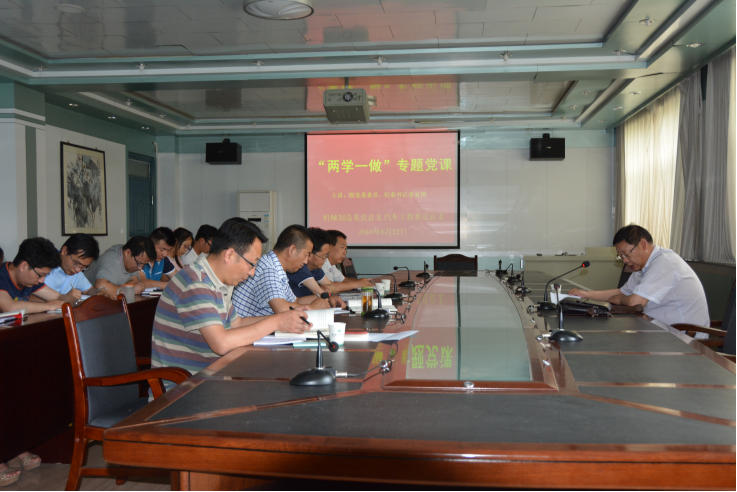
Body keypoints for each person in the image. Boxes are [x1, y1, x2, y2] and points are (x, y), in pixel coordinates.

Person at [151, 218, 311, 380]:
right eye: (251, 264)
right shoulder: (196, 282)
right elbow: (221, 343)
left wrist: (284, 318)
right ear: (229, 255)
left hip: (214, 375)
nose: (252, 273)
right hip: (185, 386)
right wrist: (276, 322)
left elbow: (237, 323)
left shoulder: (220, 281)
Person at [568, 225, 710, 331]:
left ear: (643, 244)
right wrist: (586, 295)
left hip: (683, 337)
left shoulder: (664, 263)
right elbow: (622, 292)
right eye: (620, 256)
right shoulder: (643, 266)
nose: (624, 260)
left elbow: (635, 303)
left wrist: (621, 300)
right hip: (660, 328)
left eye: (626, 254)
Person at [232, 225, 334, 318]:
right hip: (245, 329)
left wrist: (323, 298)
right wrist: (312, 307)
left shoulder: (277, 267)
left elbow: (296, 301)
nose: (306, 261)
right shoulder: (268, 268)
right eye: (306, 255)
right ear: (292, 250)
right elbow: (281, 309)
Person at [0, 237, 78, 314]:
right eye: (40, 275)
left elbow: (59, 297)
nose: (42, 280)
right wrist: (48, 306)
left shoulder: (30, 280)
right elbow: (9, 307)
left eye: (45, 275)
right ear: (24, 266)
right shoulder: (2, 275)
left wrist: (78, 302)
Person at [286, 228, 346, 306]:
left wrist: (325, 289)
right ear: (310, 253)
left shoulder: (315, 269)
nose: (325, 260)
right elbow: (322, 294)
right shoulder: (300, 268)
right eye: (323, 256)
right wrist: (323, 290)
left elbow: (333, 288)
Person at [44, 234, 114, 300]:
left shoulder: (77, 271)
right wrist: (64, 297)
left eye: (84, 267)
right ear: (64, 251)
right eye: (76, 263)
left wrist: (101, 291)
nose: (78, 270)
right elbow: (37, 296)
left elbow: (89, 290)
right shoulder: (45, 263)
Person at [85, 236, 155, 296]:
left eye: (143, 265)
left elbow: (134, 280)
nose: (140, 268)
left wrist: (123, 289)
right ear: (127, 253)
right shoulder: (112, 261)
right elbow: (100, 287)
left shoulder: (130, 258)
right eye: (139, 263)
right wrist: (129, 290)